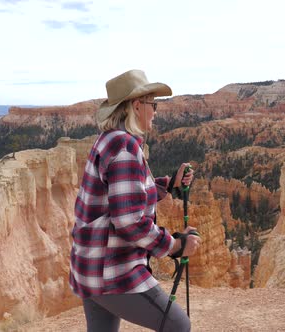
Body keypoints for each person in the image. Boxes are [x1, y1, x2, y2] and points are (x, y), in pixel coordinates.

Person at [69, 69, 201, 332]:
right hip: (113, 270)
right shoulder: (125, 148)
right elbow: (129, 221)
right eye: (153, 104)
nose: (155, 111)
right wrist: (174, 245)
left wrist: (168, 184)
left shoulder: (109, 140)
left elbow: (125, 196)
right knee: (178, 325)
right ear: (137, 106)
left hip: (90, 265)